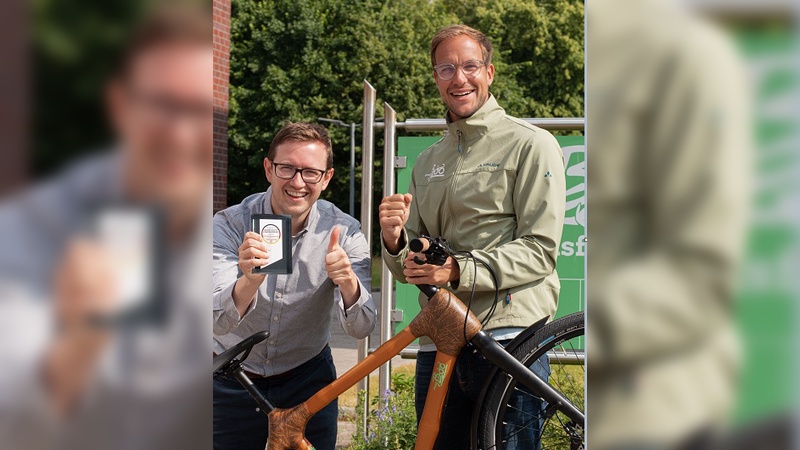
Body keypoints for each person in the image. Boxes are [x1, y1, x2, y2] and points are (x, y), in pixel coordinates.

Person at [0, 5, 213, 449]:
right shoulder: (37, 225)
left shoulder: (205, 224)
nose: (179, 133)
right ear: (121, 106)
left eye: (195, 110)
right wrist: (80, 339)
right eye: (162, 105)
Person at [379, 25, 566, 449]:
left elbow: (541, 250)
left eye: (469, 66)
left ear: (490, 72)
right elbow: (413, 263)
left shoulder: (531, 144)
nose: (458, 78)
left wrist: (460, 268)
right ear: (435, 78)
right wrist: (394, 242)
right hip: (440, 335)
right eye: (446, 68)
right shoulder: (428, 160)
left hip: (507, 335)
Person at [212, 122, 376, 450]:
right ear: (269, 169)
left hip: (307, 380)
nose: (298, 182)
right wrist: (249, 281)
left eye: (310, 172)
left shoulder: (345, 232)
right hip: (231, 380)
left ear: (326, 178)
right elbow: (215, 321)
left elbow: (363, 327)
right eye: (287, 168)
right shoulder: (229, 225)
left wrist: (348, 283)